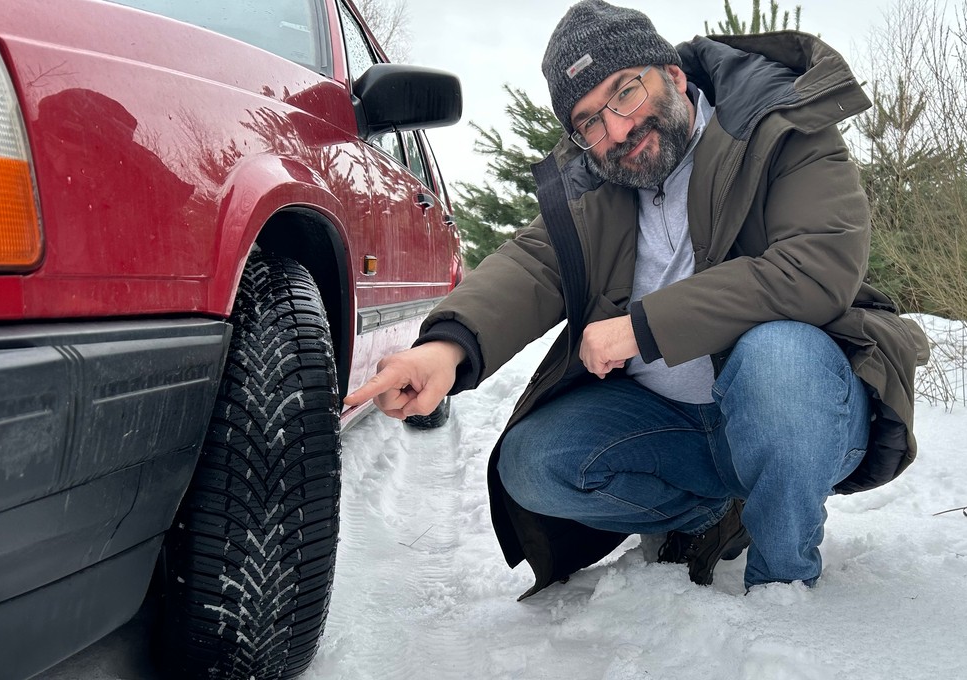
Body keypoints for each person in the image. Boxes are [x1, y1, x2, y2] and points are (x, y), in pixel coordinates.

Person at [344, 0, 928, 598]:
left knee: (779, 355)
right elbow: (531, 264)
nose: (617, 130)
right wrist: (445, 347)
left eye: (625, 94)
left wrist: (642, 327)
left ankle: (782, 583)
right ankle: (705, 516)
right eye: (590, 121)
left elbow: (816, 267)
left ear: (671, 75)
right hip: (677, 428)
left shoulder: (776, 125)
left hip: (804, 411)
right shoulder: (598, 182)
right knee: (534, 463)